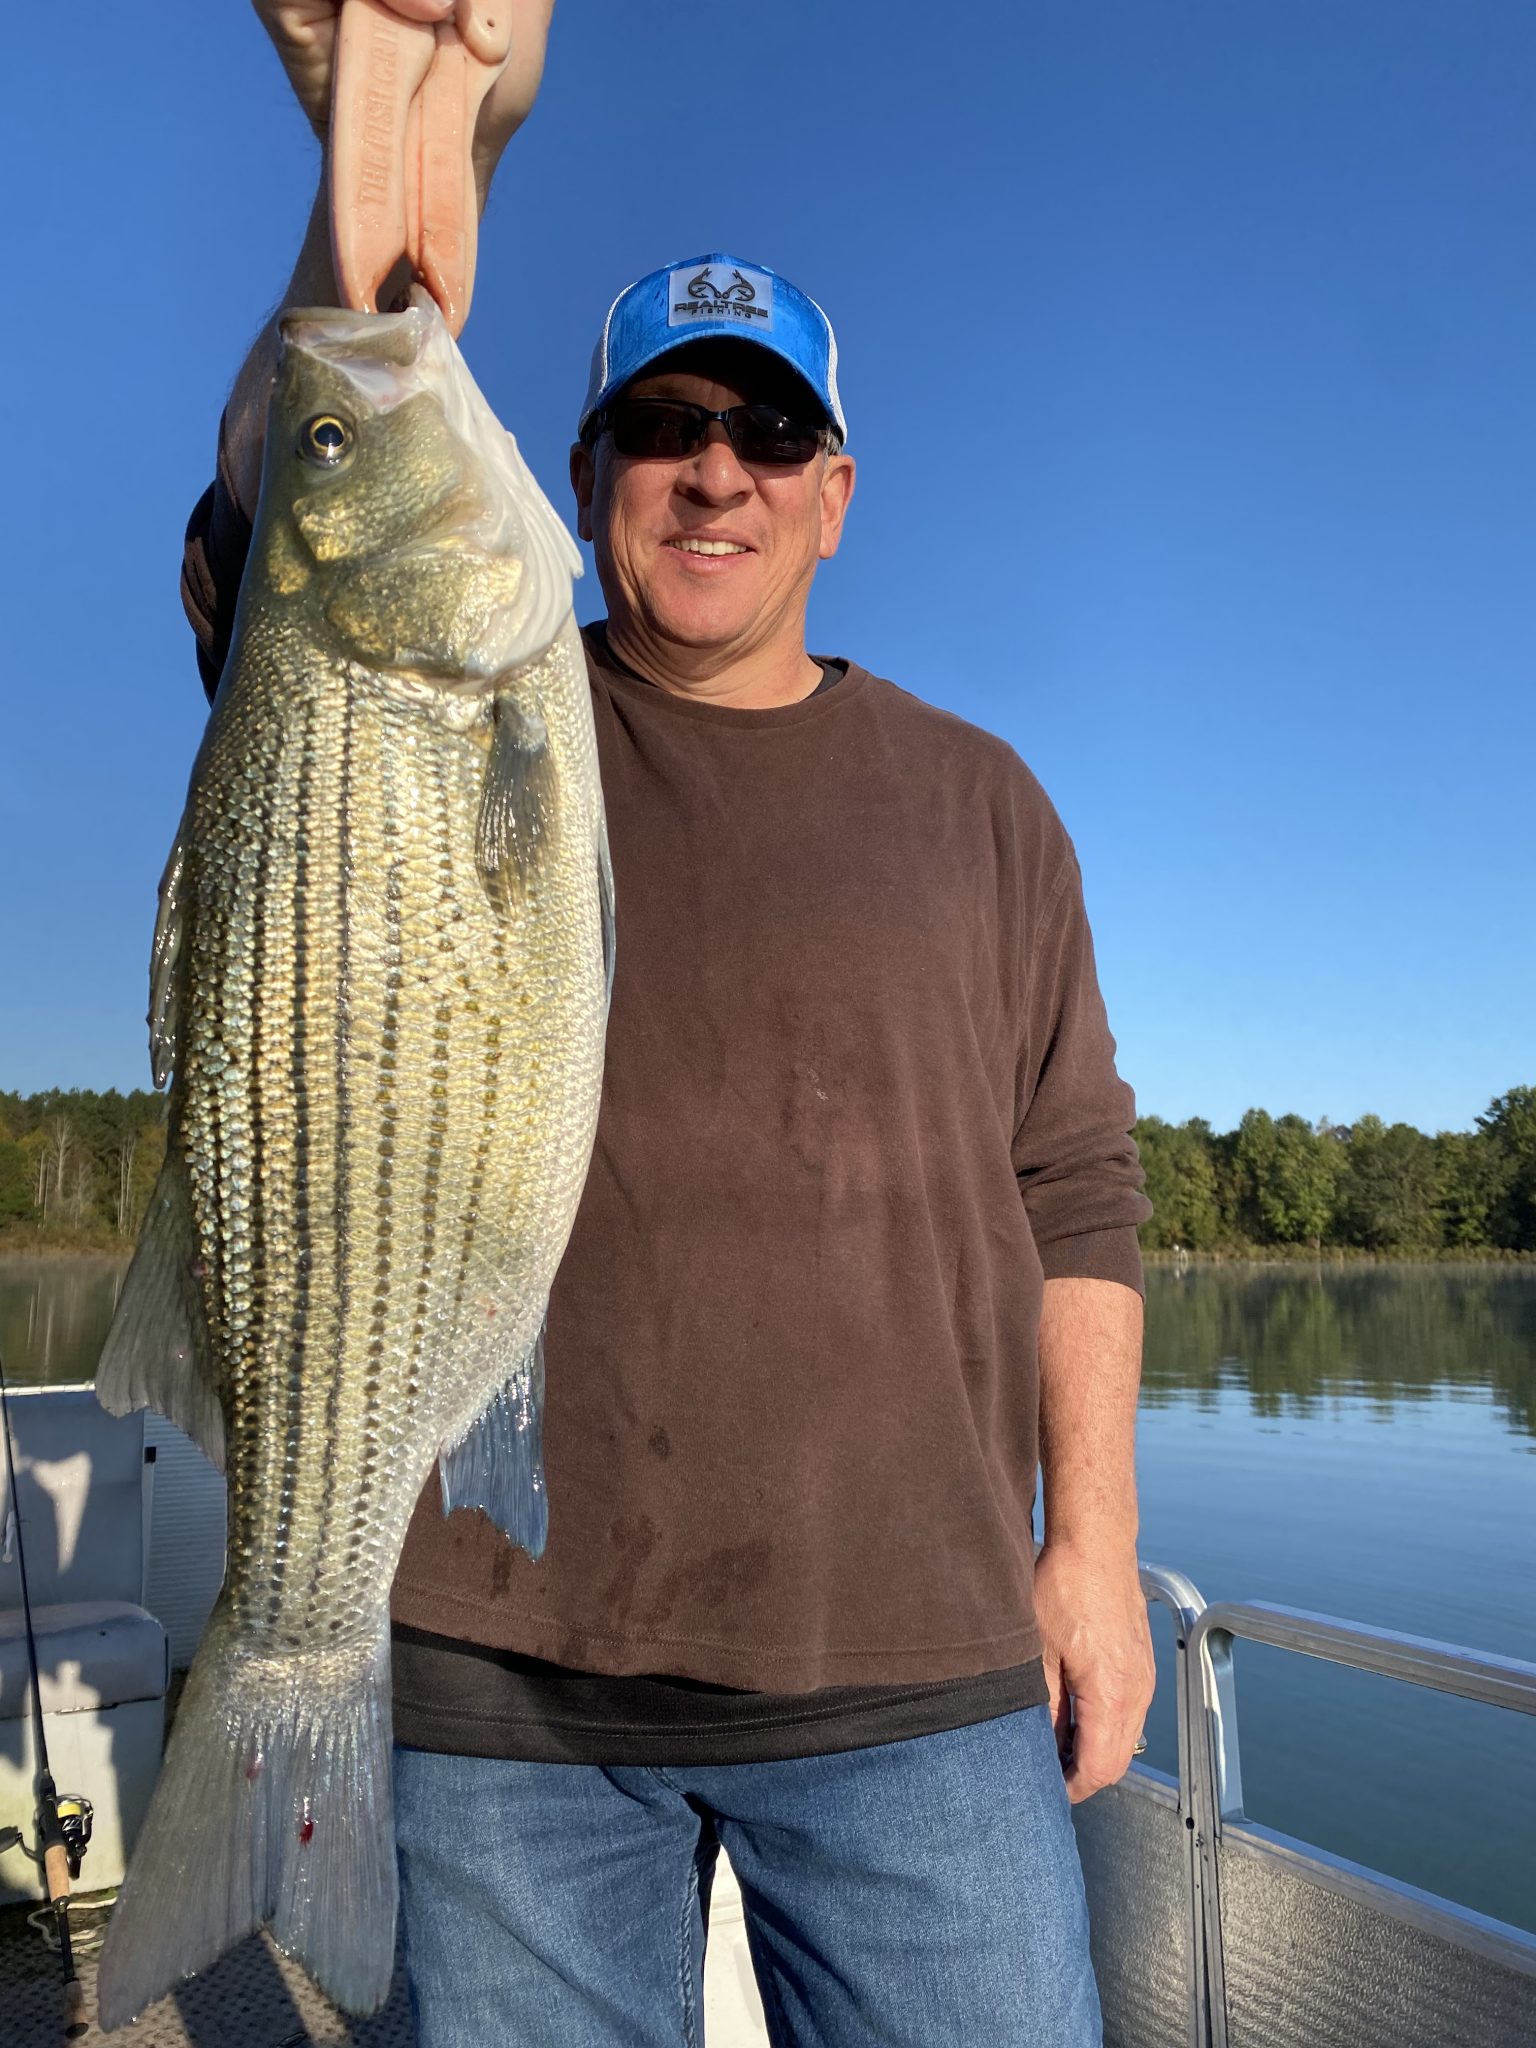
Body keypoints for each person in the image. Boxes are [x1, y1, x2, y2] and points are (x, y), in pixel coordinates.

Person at [185, 6, 1156, 2041]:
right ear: (582, 473)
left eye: (768, 431)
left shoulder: (986, 802)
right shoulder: (454, 695)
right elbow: (302, 476)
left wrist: (1095, 1550)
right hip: (494, 1684)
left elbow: (1077, 1192)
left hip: (915, 1666)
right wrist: (397, 143)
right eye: (662, 427)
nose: (714, 466)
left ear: (835, 491)